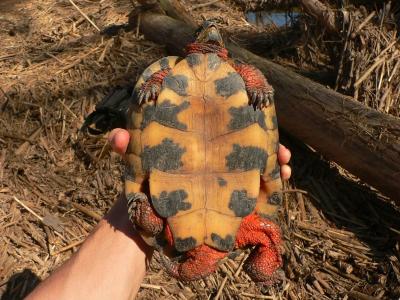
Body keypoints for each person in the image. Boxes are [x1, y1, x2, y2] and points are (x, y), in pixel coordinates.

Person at [27, 128, 292, 300]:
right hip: (228, 176)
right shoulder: (243, 227)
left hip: (178, 175)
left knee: (149, 215)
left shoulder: (172, 226)